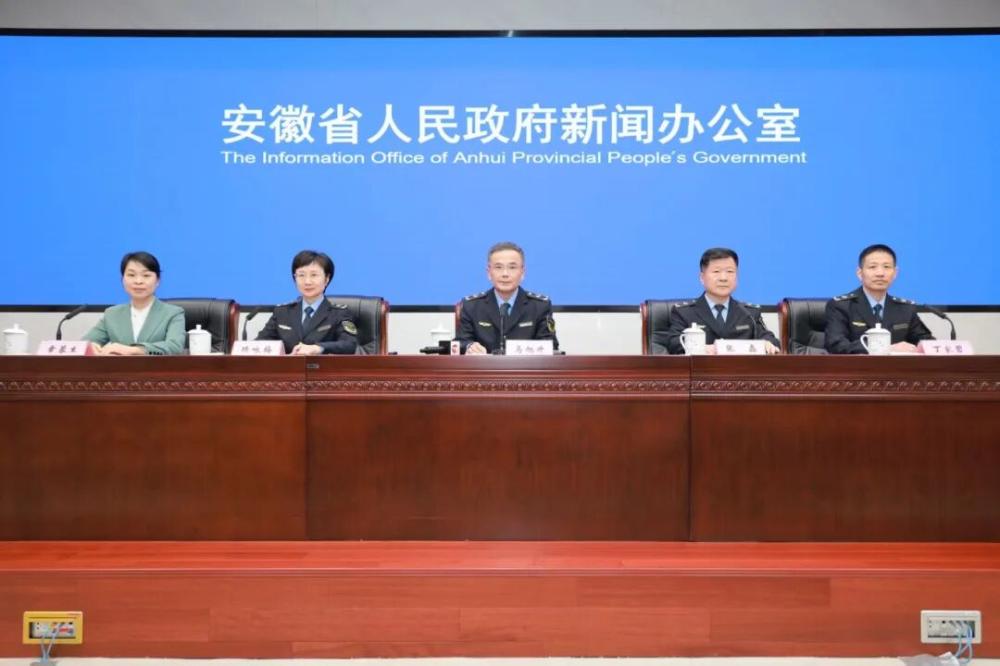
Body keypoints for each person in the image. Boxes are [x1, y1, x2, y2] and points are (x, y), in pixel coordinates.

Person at [656, 247, 780, 355]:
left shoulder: (749, 313)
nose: (723, 278)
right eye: (716, 271)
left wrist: (767, 343)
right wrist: (702, 349)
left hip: (740, 372)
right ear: (702, 278)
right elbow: (673, 343)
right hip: (700, 372)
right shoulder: (684, 312)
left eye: (730, 272)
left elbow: (771, 339)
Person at [825, 243, 933, 354]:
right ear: (860, 273)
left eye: (886, 267)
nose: (880, 273)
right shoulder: (842, 306)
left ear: (895, 273)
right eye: (872, 267)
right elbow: (836, 345)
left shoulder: (906, 309)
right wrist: (887, 348)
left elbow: (927, 343)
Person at [458, 241, 558, 354]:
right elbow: (460, 342)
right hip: (484, 365)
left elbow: (551, 345)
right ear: (489, 273)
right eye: (498, 267)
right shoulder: (472, 306)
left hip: (525, 365)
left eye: (512, 267)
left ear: (523, 272)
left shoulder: (540, 306)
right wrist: (470, 346)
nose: (505, 274)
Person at [83, 251, 186, 355]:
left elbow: (174, 347)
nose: (138, 281)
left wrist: (135, 350)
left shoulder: (172, 313)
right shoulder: (112, 314)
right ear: (122, 280)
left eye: (146, 275)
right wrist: (91, 347)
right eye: (131, 275)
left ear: (158, 280)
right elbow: (84, 343)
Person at [256, 249, 358, 355]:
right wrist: (287, 357)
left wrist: (318, 348)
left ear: (326, 279)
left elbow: (349, 345)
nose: (307, 282)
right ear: (295, 278)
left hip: (321, 365)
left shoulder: (339, 313)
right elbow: (258, 345)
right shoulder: (282, 312)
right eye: (301, 275)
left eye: (314, 275)